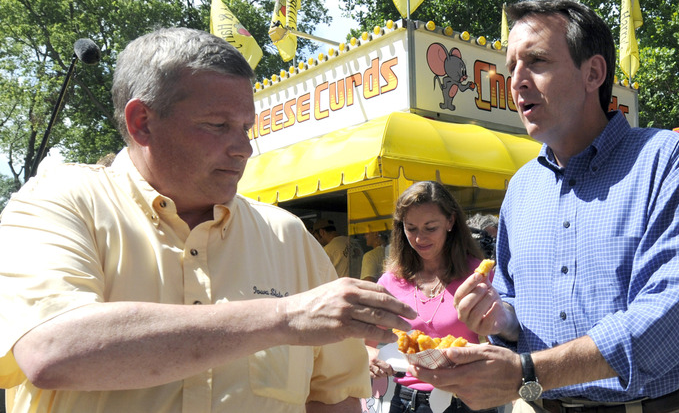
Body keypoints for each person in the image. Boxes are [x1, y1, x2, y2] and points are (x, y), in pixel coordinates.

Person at [0, 27, 416, 413]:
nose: (244, 150)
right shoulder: (60, 202)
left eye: (246, 128)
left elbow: (333, 398)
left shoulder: (288, 236)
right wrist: (283, 318)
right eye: (218, 126)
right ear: (141, 122)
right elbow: (53, 350)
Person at [409, 0, 679, 412]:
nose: (515, 81)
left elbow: (669, 318)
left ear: (593, 73)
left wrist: (530, 373)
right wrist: (504, 319)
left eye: (535, 61)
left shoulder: (662, 159)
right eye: (511, 67)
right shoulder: (520, 189)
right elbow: (513, 297)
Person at [367, 180, 497, 413]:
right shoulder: (391, 281)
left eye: (430, 228)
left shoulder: (479, 275)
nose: (419, 239)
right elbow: (365, 343)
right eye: (411, 228)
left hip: (466, 401)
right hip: (405, 400)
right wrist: (372, 358)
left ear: (450, 222)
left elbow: (499, 344)